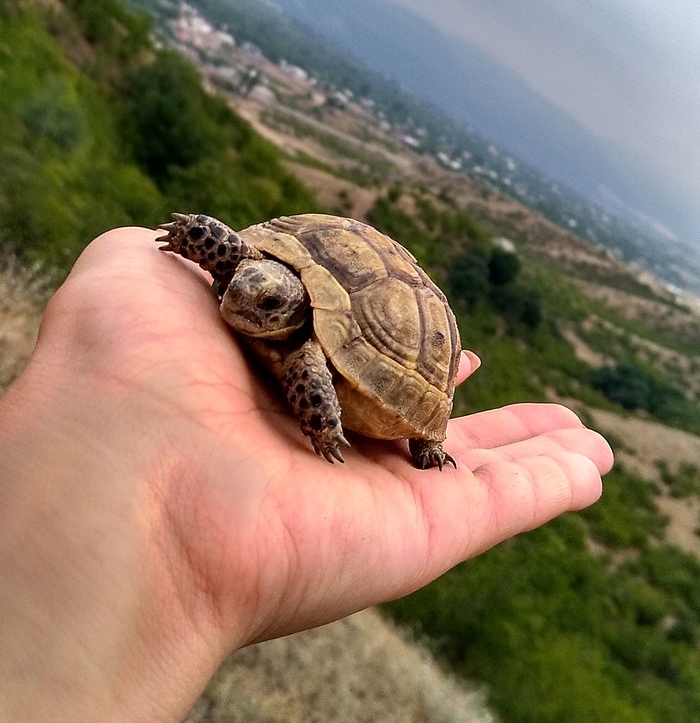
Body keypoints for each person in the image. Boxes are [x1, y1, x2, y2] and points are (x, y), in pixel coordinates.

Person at [0, 227, 613, 721]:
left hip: (374, 347)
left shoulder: (308, 354)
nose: (240, 303)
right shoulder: (249, 274)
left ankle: (421, 440)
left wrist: (397, 432)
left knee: (326, 383)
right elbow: (237, 260)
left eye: (264, 304)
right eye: (239, 286)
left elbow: (312, 372)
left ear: (291, 309)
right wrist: (201, 243)